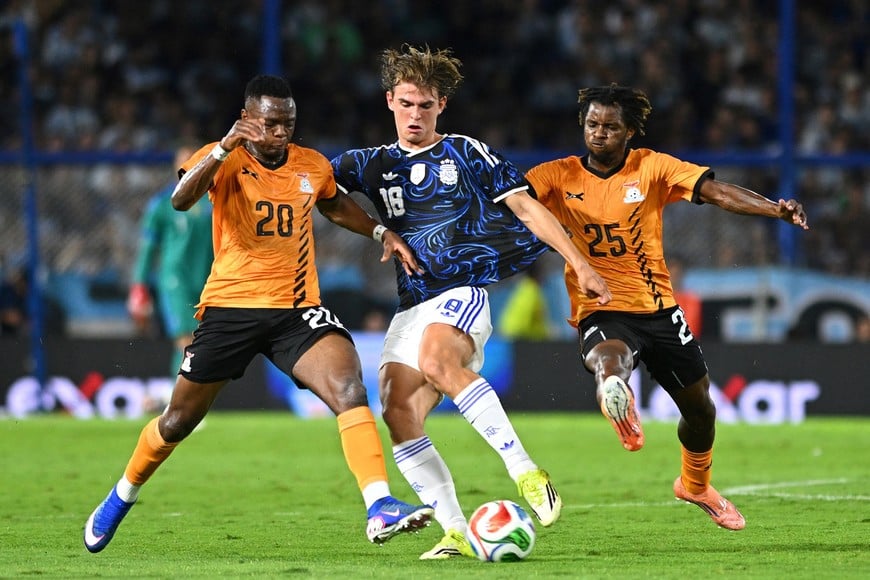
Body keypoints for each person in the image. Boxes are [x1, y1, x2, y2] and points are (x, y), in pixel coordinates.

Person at [83, 74, 433, 554]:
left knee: (349, 388)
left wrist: (379, 233)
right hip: (231, 310)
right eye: (269, 124)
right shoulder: (224, 158)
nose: (279, 134)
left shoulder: (310, 164)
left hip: (297, 310)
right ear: (247, 120)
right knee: (176, 423)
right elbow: (181, 198)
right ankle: (121, 495)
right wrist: (224, 148)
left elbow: (334, 205)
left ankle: (379, 505)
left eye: (287, 124)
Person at [331, 45, 611, 559]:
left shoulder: (465, 151)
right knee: (397, 411)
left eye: (427, 106)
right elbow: (314, 186)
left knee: (439, 361)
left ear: (441, 107)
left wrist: (580, 264)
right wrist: (377, 231)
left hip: (461, 291)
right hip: (410, 303)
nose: (416, 115)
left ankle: (526, 472)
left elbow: (527, 208)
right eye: (408, 104)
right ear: (390, 101)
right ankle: (456, 530)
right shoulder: (371, 164)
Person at [525, 83, 810, 531]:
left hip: (659, 309)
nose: (599, 134)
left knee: (700, 410)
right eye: (592, 124)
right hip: (600, 304)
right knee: (607, 357)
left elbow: (715, 192)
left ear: (630, 131)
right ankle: (615, 392)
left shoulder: (652, 168)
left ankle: (695, 485)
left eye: (610, 127)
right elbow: (514, 204)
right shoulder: (555, 175)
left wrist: (775, 209)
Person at [127, 143, 214, 382]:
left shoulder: (215, 201)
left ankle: (179, 401)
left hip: (209, 279)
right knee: (186, 340)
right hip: (176, 279)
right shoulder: (163, 204)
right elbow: (147, 249)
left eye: (195, 159)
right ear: (176, 165)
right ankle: (181, 402)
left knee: (198, 343)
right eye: (184, 160)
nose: (189, 165)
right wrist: (139, 285)